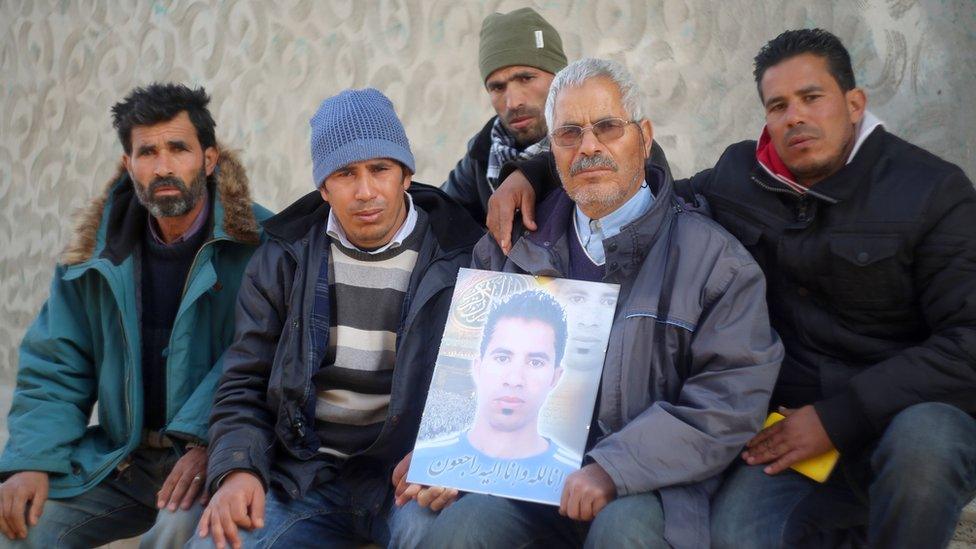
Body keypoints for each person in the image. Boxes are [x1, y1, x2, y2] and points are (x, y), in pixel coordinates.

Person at [490, 29, 976, 549]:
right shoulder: (741, 176)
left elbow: (968, 340)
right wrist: (534, 173)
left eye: (812, 98)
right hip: (784, 425)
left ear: (853, 103)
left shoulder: (932, 191)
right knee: (735, 534)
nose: (795, 117)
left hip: (906, 411)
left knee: (925, 453)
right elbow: (628, 189)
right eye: (778, 105)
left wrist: (842, 416)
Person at [404, 58, 783, 549]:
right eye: (569, 134)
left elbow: (728, 400)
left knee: (622, 533)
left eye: (608, 127)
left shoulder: (714, 262)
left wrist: (612, 468)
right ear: (552, 150)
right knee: (461, 530)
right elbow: (465, 375)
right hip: (527, 482)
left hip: (653, 487)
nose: (589, 147)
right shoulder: (507, 247)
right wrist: (442, 453)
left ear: (644, 138)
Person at [192, 88, 483, 549]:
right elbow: (244, 381)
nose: (365, 191)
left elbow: (489, 384)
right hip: (306, 476)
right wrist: (238, 467)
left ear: (406, 174)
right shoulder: (283, 258)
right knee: (217, 543)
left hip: (407, 477)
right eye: (345, 173)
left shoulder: (465, 257)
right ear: (323, 187)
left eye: (380, 169)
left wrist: (449, 453)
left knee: (450, 537)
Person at [0, 83, 271, 548]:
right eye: (147, 152)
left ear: (209, 159)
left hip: (214, 455)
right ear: (129, 165)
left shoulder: (263, 247)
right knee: (19, 527)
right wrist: (32, 460)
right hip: (122, 457)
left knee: (178, 534)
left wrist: (211, 441)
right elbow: (56, 364)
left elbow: (263, 356)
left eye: (178, 148)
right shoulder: (93, 257)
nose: (163, 166)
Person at [440, 7, 670, 227]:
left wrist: (531, 174)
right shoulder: (483, 153)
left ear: (559, 78)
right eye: (498, 88)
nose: (513, 102)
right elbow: (439, 222)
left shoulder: (627, 143)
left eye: (526, 78)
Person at [410, 290, 580, 504]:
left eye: (535, 362)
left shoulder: (571, 478)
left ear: (556, 376)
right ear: (478, 366)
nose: (514, 378)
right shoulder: (427, 459)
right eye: (502, 357)